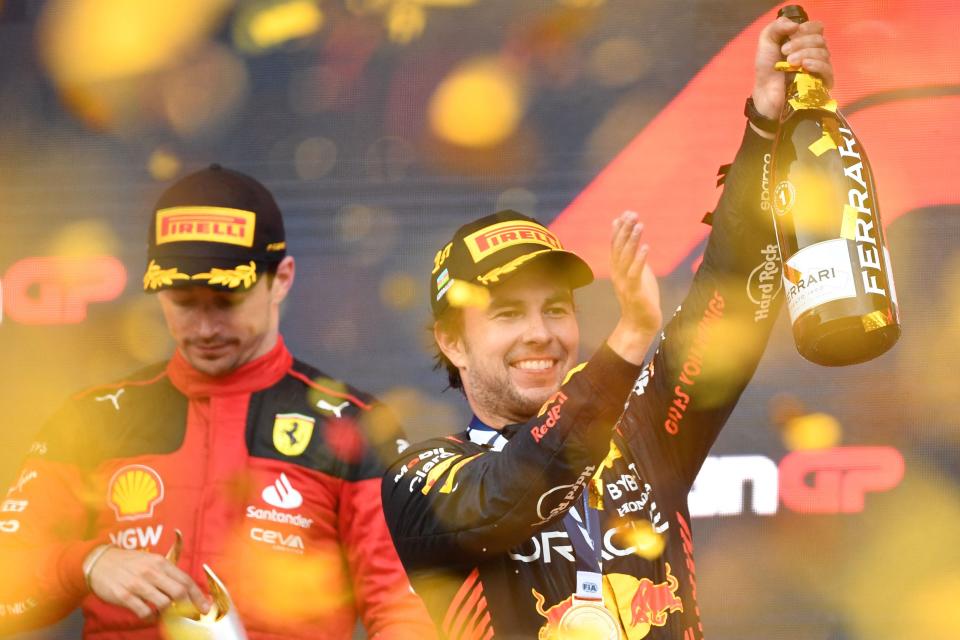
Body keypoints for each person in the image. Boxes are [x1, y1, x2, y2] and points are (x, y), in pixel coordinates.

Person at [381, 14, 834, 640]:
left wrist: (768, 129)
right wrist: (627, 341)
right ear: (451, 341)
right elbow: (514, 491)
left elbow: (729, 300)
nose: (540, 333)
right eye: (507, 314)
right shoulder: (422, 476)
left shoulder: (646, 439)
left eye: (556, 309)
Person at [0, 165, 437, 639]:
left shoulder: (354, 426)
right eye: (183, 302)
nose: (205, 328)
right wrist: (86, 562)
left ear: (283, 279)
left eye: (227, 301)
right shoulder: (93, 419)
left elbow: (404, 612)